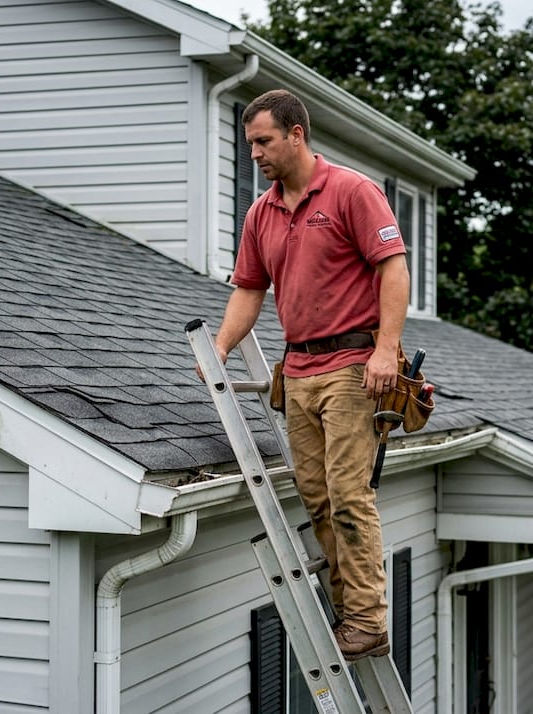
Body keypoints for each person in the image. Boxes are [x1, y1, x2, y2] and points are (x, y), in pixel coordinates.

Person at [209, 89, 409, 661]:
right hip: (296, 371)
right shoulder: (260, 213)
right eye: (250, 144)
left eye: (263, 141)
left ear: (297, 134)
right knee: (317, 498)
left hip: (353, 367)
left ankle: (368, 619)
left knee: (350, 496)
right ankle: (353, 615)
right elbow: (250, 288)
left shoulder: (351, 191)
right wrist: (220, 348)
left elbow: (393, 268)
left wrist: (387, 349)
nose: (254, 154)